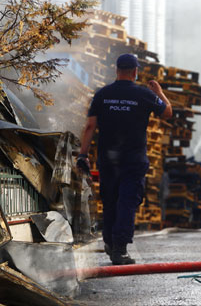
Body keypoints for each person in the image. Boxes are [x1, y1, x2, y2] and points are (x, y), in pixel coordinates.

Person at [77, 53, 172, 265]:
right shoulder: (143, 94)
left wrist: (83, 154)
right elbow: (167, 112)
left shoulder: (102, 94)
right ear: (136, 72)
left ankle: (110, 243)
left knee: (110, 201)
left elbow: (90, 126)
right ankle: (120, 249)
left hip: (108, 160)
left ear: (117, 70)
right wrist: (160, 93)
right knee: (127, 202)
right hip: (133, 160)